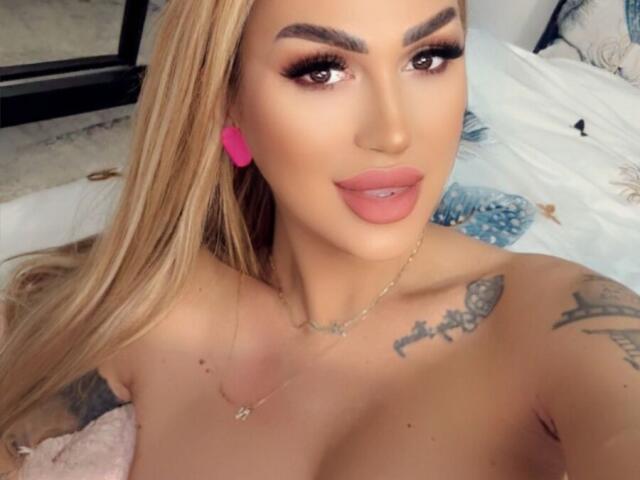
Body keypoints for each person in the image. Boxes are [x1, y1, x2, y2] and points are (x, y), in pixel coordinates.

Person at [1, 0, 639, 478]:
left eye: (428, 58)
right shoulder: (150, 309)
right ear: (226, 100)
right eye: (322, 70)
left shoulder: (561, 321)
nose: (393, 132)